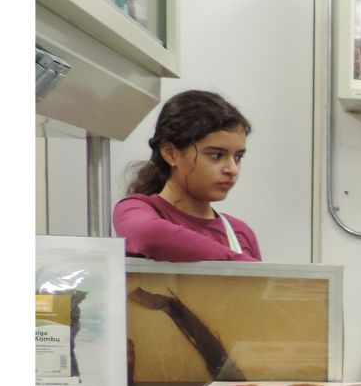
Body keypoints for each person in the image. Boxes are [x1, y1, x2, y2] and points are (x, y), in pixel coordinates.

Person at [112, 90, 261, 262]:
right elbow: (151, 235)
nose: (232, 169)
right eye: (216, 155)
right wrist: (241, 264)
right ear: (170, 153)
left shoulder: (240, 233)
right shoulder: (135, 210)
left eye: (238, 157)